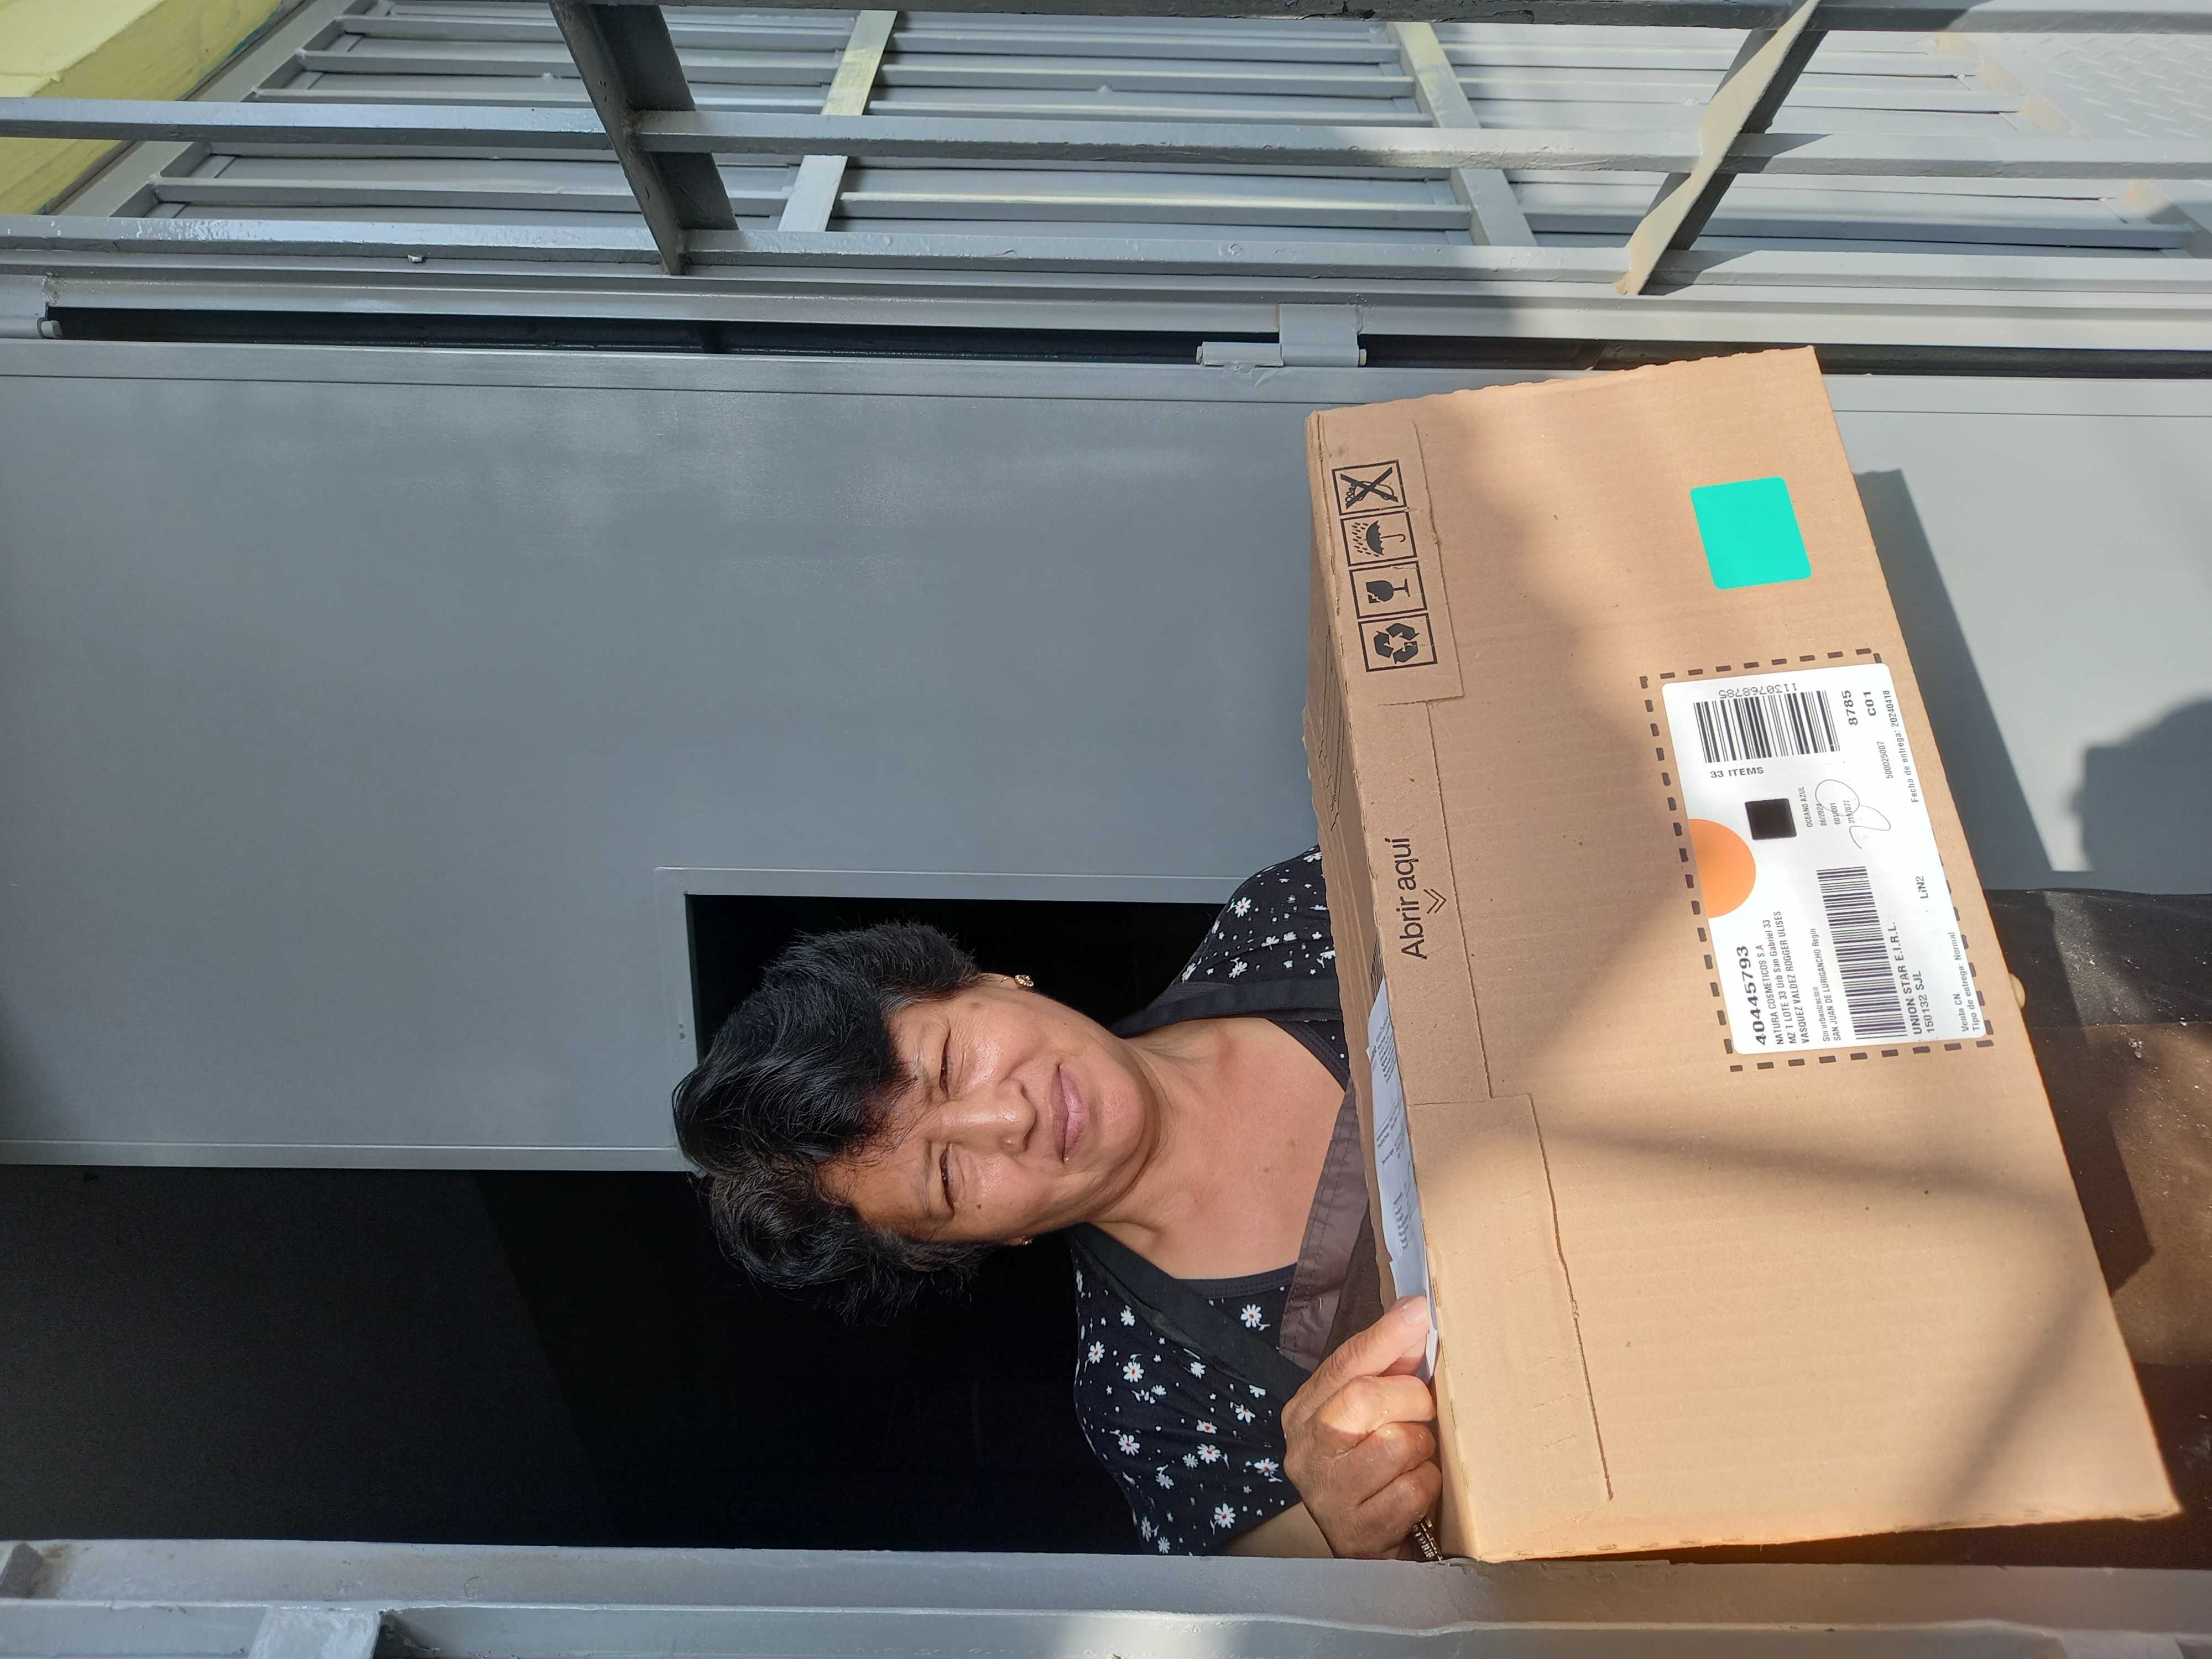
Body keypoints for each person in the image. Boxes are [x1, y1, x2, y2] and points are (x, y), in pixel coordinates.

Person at [671, 849, 1442, 1558]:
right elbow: (1284, 1597)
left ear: (989, 980)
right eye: (949, 1177)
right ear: (980, 1241)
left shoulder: (1282, 916)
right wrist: (1334, 1521)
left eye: (949, 1064)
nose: (1009, 1119)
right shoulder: (1154, 1408)